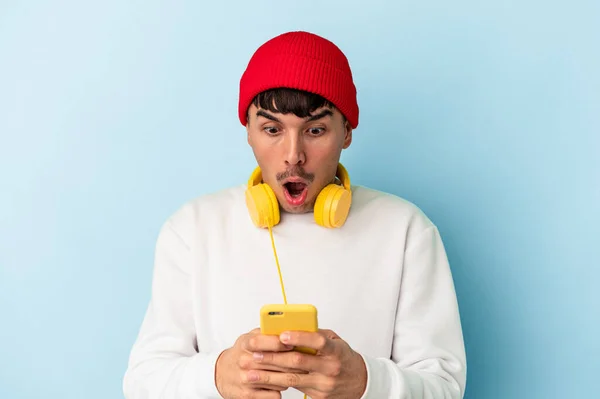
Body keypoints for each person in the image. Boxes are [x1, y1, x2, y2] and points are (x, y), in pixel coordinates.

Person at [123, 31, 467, 399]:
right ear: (249, 133)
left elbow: (444, 387)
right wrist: (218, 376)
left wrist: (366, 382)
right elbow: (143, 382)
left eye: (315, 130)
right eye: (272, 129)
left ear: (347, 132)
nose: (293, 155)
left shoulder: (406, 229)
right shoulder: (192, 229)